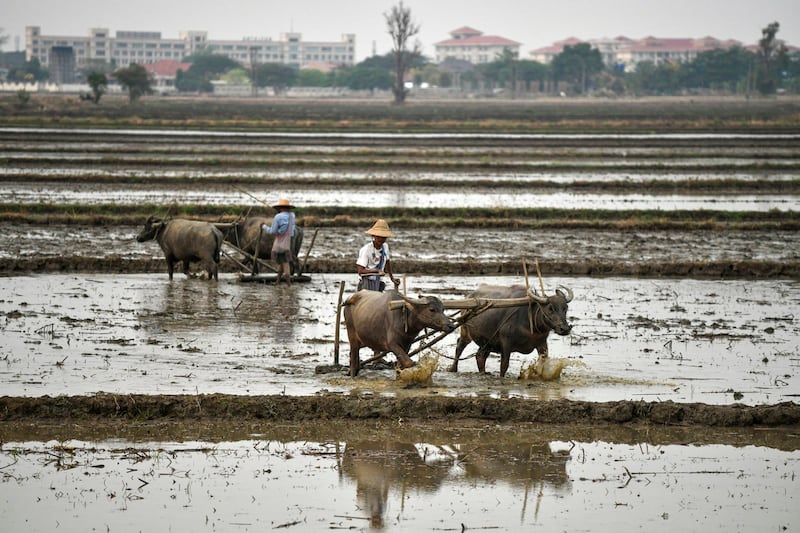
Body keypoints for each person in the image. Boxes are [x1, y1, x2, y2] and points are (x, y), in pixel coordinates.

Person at [356, 219, 401, 292]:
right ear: (373, 236)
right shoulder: (366, 250)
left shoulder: (385, 247)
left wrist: (392, 278)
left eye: (384, 237)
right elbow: (360, 271)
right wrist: (376, 271)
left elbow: (387, 262)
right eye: (379, 236)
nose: (381, 239)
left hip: (379, 282)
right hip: (367, 282)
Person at [262, 198, 296, 285]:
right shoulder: (292, 216)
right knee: (282, 261)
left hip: (281, 242)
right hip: (290, 241)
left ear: (280, 208)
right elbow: (291, 231)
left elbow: (273, 231)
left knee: (285, 263)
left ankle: (289, 284)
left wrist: (264, 227)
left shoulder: (278, 217)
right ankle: (277, 281)